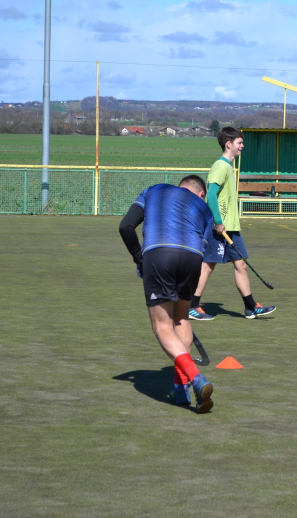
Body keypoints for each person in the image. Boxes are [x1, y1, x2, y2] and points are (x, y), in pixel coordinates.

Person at [119, 175, 215, 414]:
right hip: (193, 257)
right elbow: (203, 246)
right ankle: (180, 388)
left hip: (159, 253)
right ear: (199, 192)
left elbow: (126, 226)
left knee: (162, 326)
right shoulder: (204, 208)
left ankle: (195, 377)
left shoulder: (153, 190)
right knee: (181, 319)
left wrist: (140, 260)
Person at [188, 127, 276, 321]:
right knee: (207, 266)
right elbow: (211, 194)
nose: (242, 146)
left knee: (241, 265)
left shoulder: (228, 166)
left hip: (231, 228)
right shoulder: (220, 166)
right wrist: (218, 223)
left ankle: (250, 307)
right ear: (229, 144)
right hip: (220, 228)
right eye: (239, 143)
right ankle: (191, 307)